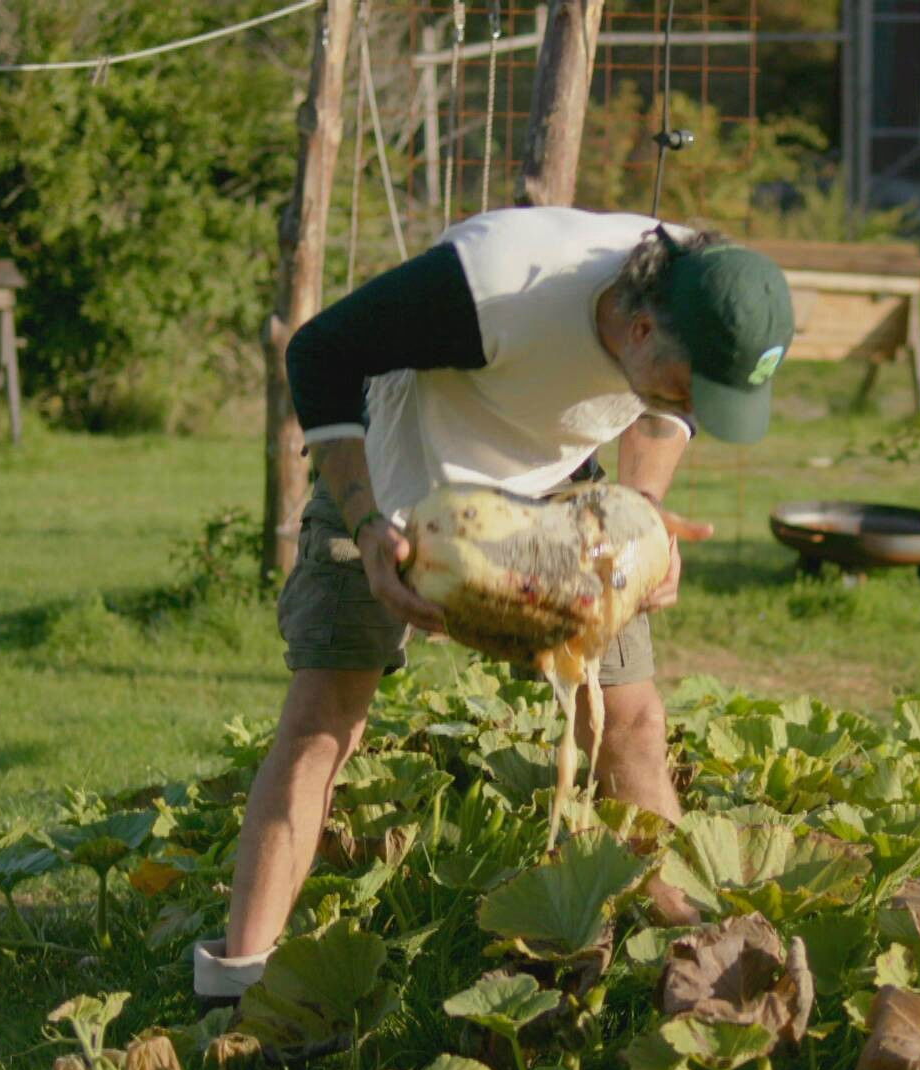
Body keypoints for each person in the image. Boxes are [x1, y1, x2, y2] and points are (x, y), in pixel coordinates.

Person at [193, 206, 795, 999]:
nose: (699, 407)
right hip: (397, 486)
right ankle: (238, 982)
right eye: (696, 385)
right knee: (324, 723)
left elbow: (665, 409)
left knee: (633, 720)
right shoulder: (494, 286)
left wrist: (642, 519)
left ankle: (697, 968)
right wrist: (367, 523)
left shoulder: (703, 292)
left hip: (560, 501)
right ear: (640, 331)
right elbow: (320, 349)